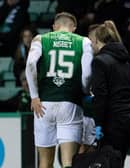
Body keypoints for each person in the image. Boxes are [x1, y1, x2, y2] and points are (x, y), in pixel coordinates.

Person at [25, 12, 93, 168]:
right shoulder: (84, 41)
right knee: (69, 162)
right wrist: (83, 89)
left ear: (54, 27)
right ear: (74, 27)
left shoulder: (40, 39)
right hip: (70, 103)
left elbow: (30, 65)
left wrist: (34, 96)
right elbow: (88, 73)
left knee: (44, 162)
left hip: (43, 104)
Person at [88, 20, 130, 166]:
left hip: (113, 121)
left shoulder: (99, 61)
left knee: (107, 163)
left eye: (91, 41)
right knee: (118, 161)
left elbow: (101, 96)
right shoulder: (127, 61)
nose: (90, 45)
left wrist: (99, 124)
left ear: (96, 40)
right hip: (129, 118)